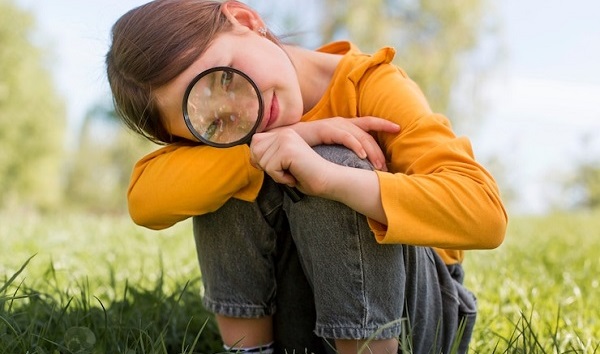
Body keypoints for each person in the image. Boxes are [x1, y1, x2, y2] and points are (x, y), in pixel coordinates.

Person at [106, 0, 508, 353]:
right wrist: (268, 146)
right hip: (300, 326)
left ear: (245, 19)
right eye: (213, 123)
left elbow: (485, 214)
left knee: (329, 158)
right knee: (224, 169)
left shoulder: (370, 85)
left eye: (226, 77)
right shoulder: (232, 137)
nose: (246, 110)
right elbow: (144, 200)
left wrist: (330, 179)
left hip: (416, 321)